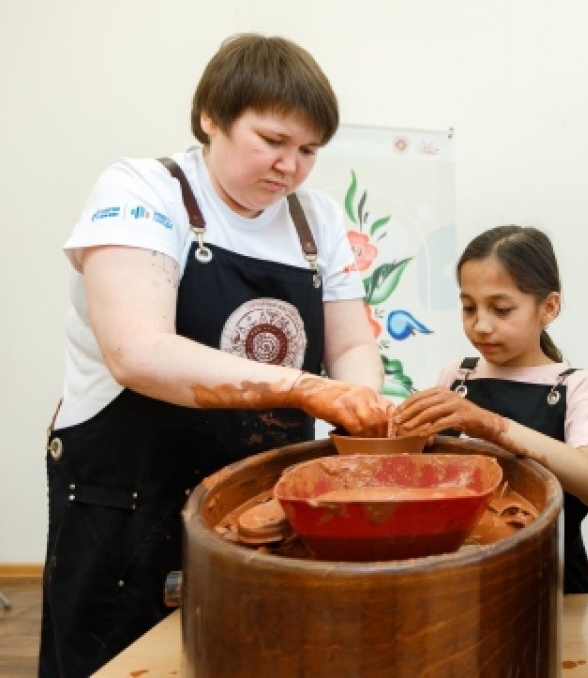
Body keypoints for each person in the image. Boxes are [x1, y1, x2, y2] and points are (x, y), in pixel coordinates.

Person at [41, 34, 392, 677]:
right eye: (273, 141)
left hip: (258, 501)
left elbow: (350, 343)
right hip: (128, 497)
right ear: (211, 118)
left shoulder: (314, 219)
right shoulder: (145, 190)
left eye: (309, 150)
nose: (291, 166)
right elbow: (137, 352)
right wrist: (305, 388)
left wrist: (360, 400)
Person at [391, 225, 588, 594]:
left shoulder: (574, 384)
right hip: (461, 576)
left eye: (501, 309)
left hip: (552, 579)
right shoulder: (456, 376)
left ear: (549, 307)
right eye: (468, 307)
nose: (480, 325)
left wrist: (489, 425)